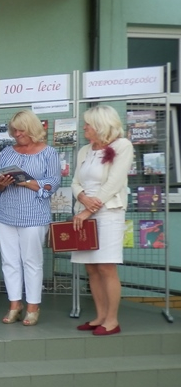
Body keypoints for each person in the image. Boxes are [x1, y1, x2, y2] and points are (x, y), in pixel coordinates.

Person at [0, 110, 61, 326]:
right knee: (9, 261)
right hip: (5, 214)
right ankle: (15, 305)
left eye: (21, 130)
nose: (17, 134)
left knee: (32, 261)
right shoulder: (6, 153)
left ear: (32, 128)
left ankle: (33, 307)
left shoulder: (48, 153)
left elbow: (53, 183)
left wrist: (25, 182)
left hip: (33, 215)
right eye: (14, 130)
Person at [71, 105, 134, 336]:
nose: (84, 127)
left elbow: (114, 183)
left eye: (88, 124)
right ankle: (99, 316)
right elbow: (75, 182)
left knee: (106, 266)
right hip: (84, 212)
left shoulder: (122, 146)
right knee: (91, 267)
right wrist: (82, 198)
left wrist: (88, 210)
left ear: (100, 126)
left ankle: (112, 320)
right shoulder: (84, 150)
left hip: (108, 213)